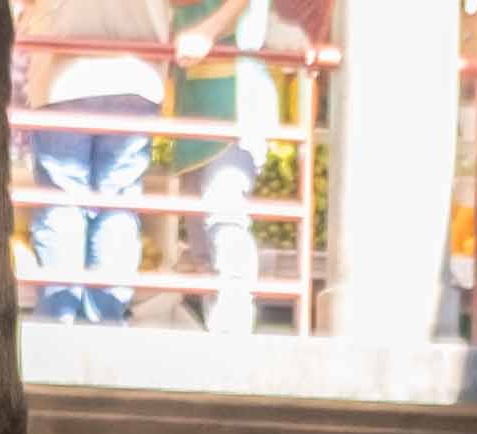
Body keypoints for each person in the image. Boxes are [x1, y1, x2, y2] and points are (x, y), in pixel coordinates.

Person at [21, 0, 164, 321]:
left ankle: (59, 318)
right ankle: (105, 319)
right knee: (118, 203)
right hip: (137, 72)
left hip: (63, 71)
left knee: (61, 200)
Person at [174, 0, 297, 334]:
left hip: (237, 95)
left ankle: (234, 320)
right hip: (194, 97)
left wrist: (205, 32)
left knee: (224, 208)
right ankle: (217, 323)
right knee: (198, 229)